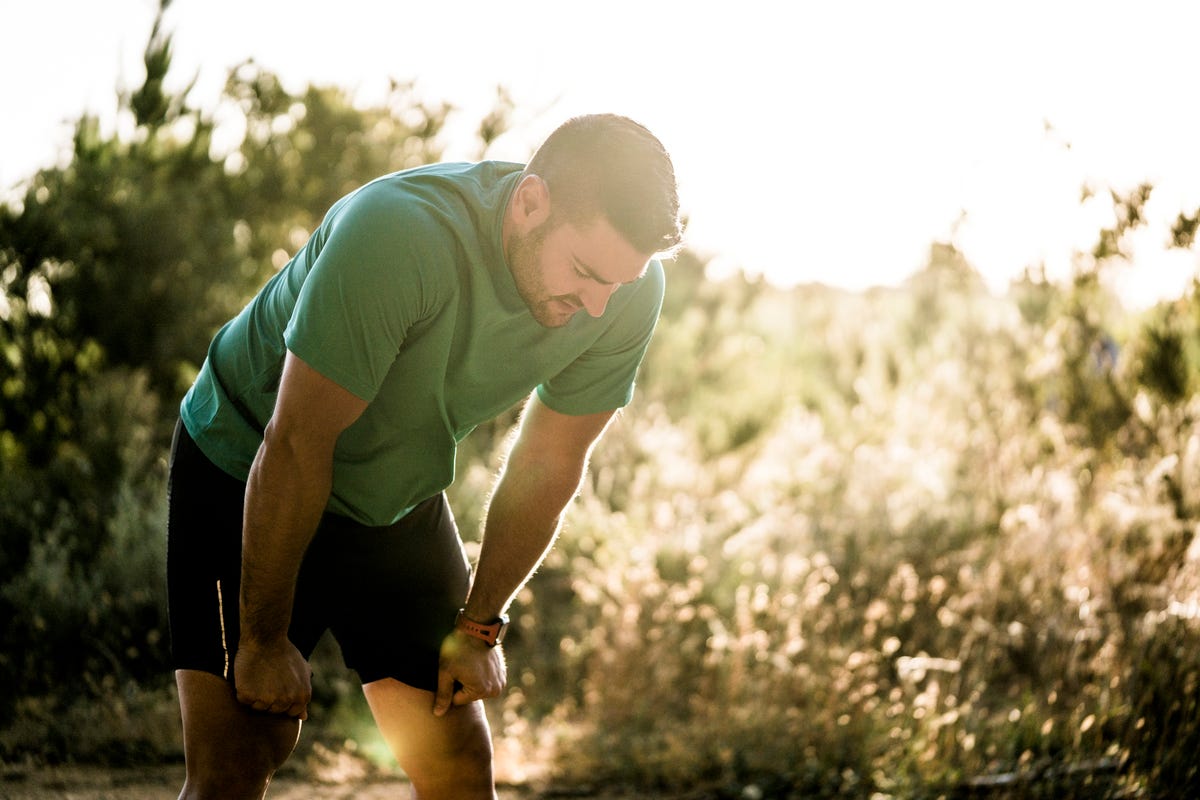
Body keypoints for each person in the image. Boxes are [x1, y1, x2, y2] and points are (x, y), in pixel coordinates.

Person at [166, 113, 683, 800]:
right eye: (586, 272)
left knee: (458, 766)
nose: (596, 307)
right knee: (238, 761)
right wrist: (261, 642)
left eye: (615, 284)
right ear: (530, 203)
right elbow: (294, 444)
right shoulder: (397, 235)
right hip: (247, 464)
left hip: (393, 492)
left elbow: (549, 464)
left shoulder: (623, 293)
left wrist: (479, 627)